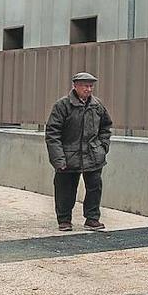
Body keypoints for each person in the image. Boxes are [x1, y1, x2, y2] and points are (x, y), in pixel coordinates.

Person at [45, 72, 113, 231]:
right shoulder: (62, 105)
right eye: (85, 86)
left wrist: (102, 147)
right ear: (75, 86)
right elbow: (52, 134)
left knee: (94, 188)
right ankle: (64, 220)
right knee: (65, 189)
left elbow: (106, 127)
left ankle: (92, 219)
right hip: (69, 155)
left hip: (93, 155)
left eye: (91, 86)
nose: (89, 89)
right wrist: (58, 159)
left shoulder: (97, 105)